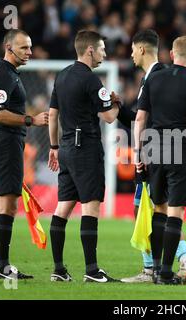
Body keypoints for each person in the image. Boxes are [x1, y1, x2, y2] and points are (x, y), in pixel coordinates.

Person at [134, 36, 186, 285]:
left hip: (154, 145)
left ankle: (157, 269)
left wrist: (138, 153)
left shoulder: (153, 78)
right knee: (175, 211)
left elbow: (140, 119)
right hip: (180, 146)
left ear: (171, 54)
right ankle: (168, 273)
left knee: (158, 207)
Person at [119, 29, 186, 284]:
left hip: (159, 153)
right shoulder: (150, 77)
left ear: (141, 49)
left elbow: (148, 120)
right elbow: (140, 117)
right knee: (150, 207)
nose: (130, 54)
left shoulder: (159, 76)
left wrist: (142, 152)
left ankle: (163, 265)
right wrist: (119, 110)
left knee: (159, 207)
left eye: (132, 49)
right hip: (157, 151)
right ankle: (161, 265)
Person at [47, 30, 120, 282]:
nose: (104, 53)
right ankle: (91, 271)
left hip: (65, 147)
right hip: (85, 148)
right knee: (90, 207)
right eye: (101, 49)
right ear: (90, 50)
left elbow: (53, 114)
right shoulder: (91, 80)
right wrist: (116, 102)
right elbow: (109, 117)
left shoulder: (62, 75)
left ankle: (58, 270)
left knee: (63, 207)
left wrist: (54, 146)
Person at [0, 30, 49, 280]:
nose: (29, 52)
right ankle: (3, 267)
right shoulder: (3, 74)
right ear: (8, 47)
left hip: (4, 143)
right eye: (24, 48)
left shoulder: (8, 73)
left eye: (30, 47)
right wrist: (31, 119)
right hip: (6, 144)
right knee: (8, 205)